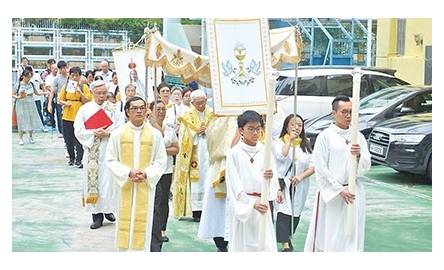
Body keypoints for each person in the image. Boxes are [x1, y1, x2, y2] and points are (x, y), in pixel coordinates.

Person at [303, 95, 371, 252]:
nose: (348, 116)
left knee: (351, 236)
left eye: (351, 112)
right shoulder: (325, 136)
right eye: (344, 112)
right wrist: (339, 190)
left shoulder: (358, 136)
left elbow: (365, 167)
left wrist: (359, 156)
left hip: (353, 193)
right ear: (334, 113)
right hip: (333, 196)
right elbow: (320, 168)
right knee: (330, 237)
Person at [105, 96, 167, 252]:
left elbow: (161, 161)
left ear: (146, 111)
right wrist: (128, 173)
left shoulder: (155, 134)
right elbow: (111, 160)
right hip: (124, 185)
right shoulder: (117, 134)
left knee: (144, 224)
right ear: (127, 112)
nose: (139, 111)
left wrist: (146, 174)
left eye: (142, 108)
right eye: (134, 108)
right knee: (124, 222)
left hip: (145, 185)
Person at [225, 110, 280, 252]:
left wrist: (270, 178)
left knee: (265, 246)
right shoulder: (234, 154)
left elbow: (273, 179)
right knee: (243, 247)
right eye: (251, 129)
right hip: (245, 207)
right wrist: (251, 204)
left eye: (258, 128)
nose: (255, 133)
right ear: (241, 130)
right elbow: (234, 185)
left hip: (262, 204)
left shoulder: (265, 151)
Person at [74, 80, 126, 229]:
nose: (102, 96)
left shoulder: (113, 108)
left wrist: (108, 133)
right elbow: (78, 130)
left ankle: (108, 209)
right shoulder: (84, 109)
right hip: (92, 152)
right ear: (92, 93)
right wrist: (93, 133)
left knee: (109, 181)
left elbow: (121, 128)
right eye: (98, 93)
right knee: (94, 182)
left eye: (104, 93)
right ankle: (96, 215)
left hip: (110, 149)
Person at [272, 113, 314, 252]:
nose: (297, 127)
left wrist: (301, 176)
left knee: (295, 213)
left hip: (299, 185)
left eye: (300, 125)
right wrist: (289, 140)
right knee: (283, 212)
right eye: (293, 124)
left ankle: (288, 237)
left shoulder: (305, 145)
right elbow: (281, 157)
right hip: (283, 184)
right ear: (286, 126)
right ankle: (285, 245)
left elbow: (313, 166)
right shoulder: (278, 143)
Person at [197, 116, 237, 252]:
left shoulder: (248, 119)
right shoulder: (215, 121)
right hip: (219, 168)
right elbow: (214, 144)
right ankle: (221, 243)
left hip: (239, 170)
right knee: (218, 211)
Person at [172, 90, 213, 222]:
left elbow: (217, 131)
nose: (201, 105)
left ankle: (208, 209)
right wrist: (195, 131)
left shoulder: (212, 114)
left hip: (208, 150)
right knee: (196, 181)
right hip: (194, 152)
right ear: (192, 103)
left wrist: (208, 131)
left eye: (203, 102)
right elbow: (183, 136)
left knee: (208, 177)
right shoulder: (187, 116)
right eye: (198, 103)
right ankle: (196, 211)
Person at [148, 100, 179, 244]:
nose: (161, 111)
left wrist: (161, 151)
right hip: (151, 168)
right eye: (158, 109)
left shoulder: (169, 129)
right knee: (152, 200)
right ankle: (150, 228)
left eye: (163, 109)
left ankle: (162, 229)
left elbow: (176, 148)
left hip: (166, 169)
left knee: (163, 200)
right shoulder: (147, 129)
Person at [59, 66, 93, 168]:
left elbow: (88, 100)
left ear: (80, 76)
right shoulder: (65, 87)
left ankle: (79, 159)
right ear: (69, 76)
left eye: (76, 75)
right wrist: (66, 103)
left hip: (80, 115)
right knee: (68, 139)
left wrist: (79, 92)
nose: (74, 77)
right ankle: (71, 158)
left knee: (79, 139)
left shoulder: (84, 87)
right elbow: (60, 99)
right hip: (67, 115)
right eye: (72, 75)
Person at [12, 69, 49, 145]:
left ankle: (31, 136)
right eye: (27, 77)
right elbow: (12, 94)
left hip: (31, 103)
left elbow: (37, 93)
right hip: (21, 103)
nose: (28, 78)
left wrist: (45, 93)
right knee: (21, 120)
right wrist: (19, 97)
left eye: (30, 77)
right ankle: (21, 138)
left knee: (31, 120)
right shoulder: (18, 84)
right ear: (23, 76)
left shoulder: (31, 84)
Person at [48, 60, 70, 139]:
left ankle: (68, 133)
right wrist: (49, 104)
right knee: (60, 118)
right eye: (61, 68)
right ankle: (63, 133)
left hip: (69, 101)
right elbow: (52, 92)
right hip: (59, 102)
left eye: (64, 67)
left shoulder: (70, 77)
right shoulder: (56, 79)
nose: (63, 70)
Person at [43, 63, 58, 129]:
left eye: (57, 69)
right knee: (51, 111)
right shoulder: (48, 77)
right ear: (51, 69)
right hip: (51, 95)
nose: (56, 70)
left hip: (59, 95)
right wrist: (54, 90)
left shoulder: (59, 76)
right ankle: (52, 124)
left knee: (59, 111)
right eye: (54, 69)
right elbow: (47, 86)